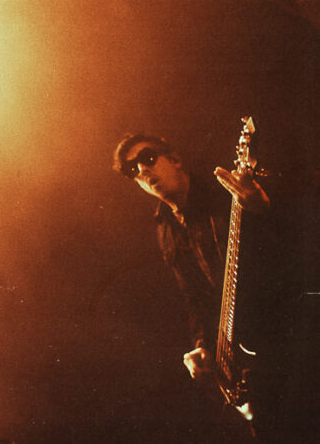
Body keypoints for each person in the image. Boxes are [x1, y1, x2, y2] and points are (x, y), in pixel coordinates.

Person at [112, 130, 319, 442]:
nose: (142, 170)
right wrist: (203, 346)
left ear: (175, 159)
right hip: (249, 362)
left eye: (148, 158)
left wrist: (264, 207)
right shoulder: (164, 230)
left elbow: (298, 242)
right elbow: (194, 299)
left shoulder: (227, 191)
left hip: (292, 336)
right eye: (132, 170)